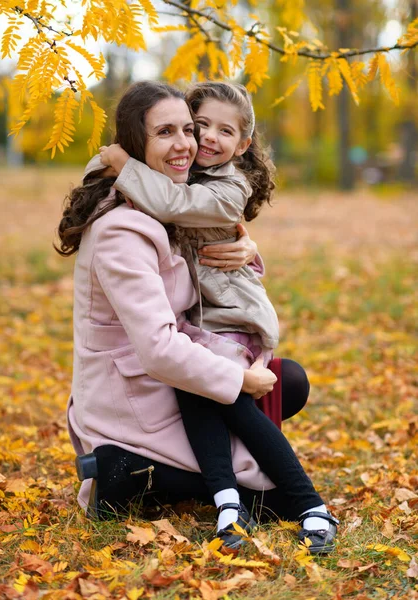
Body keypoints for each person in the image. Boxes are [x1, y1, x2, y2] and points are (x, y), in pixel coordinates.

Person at [57, 81, 338, 556]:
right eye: (167, 131)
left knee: (287, 381)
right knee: (254, 469)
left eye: (188, 129)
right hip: (139, 396)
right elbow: (162, 349)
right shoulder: (123, 229)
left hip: (168, 372)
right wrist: (236, 378)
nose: (190, 142)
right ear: (133, 145)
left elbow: (204, 241)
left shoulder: (164, 202)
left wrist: (249, 248)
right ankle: (143, 477)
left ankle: (216, 482)